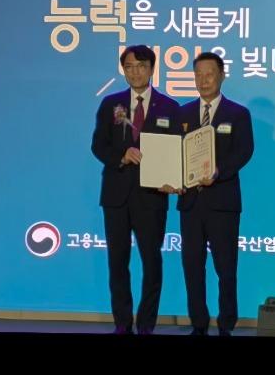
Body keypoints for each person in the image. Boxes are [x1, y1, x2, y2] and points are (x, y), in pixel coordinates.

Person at [91, 45, 180, 335]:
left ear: (152, 69)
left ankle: (146, 324)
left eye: (141, 66)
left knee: (152, 262)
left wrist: (174, 177)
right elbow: (98, 145)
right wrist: (122, 155)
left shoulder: (169, 107)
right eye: (129, 67)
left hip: (152, 196)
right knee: (117, 263)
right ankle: (122, 323)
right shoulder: (110, 104)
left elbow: (177, 150)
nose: (135, 72)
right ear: (123, 70)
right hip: (116, 196)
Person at [174, 51, 254, 336]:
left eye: (209, 74)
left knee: (226, 268)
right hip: (190, 203)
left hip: (223, 203)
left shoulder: (238, 114)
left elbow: (244, 151)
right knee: (192, 267)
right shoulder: (182, 113)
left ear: (222, 76)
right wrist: (172, 178)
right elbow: (174, 154)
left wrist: (219, 172)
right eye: (198, 74)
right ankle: (198, 323)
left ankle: (226, 324)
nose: (203, 80)